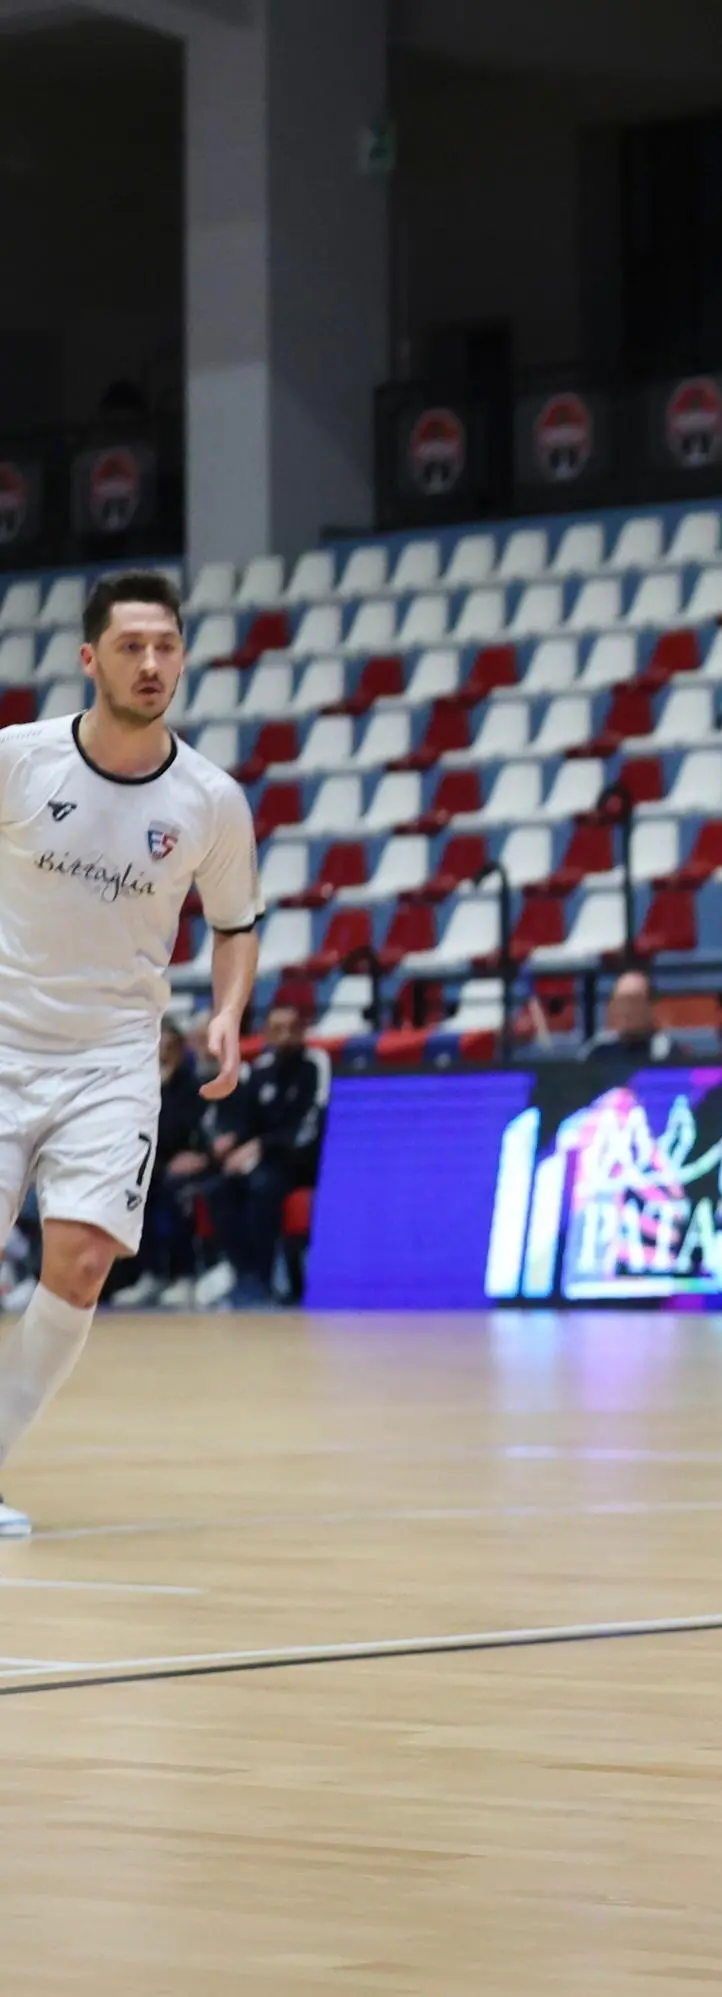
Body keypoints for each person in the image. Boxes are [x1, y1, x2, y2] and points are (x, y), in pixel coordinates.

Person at [0, 571, 263, 1535]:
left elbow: (237, 925)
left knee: (78, 1264)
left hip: (114, 1060)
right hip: (1, 1039)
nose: (151, 663)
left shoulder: (210, 799)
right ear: (89, 658)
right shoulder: (18, 762)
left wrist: (229, 1011)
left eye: (166, 647)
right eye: (131, 646)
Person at [198, 996, 330, 1307]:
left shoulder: (315, 1064)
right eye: (277, 1029)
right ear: (267, 1034)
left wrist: (260, 1146)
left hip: (298, 1160)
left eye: (291, 1028)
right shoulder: (260, 1071)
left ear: (303, 1030)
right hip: (261, 1159)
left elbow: (309, 1124)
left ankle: (264, 1275)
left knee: (262, 1186)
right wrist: (235, 1146)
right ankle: (244, 1273)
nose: (285, 1035)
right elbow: (247, 1120)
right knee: (218, 1187)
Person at [110, 1015, 215, 1307]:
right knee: (133, 1190)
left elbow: (188, 1129)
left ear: (181, 1048)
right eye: (158, 1046)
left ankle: (184, 1275)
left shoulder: (192, 1084)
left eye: (169, 1046)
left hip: (187, 1162)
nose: (163, 1053)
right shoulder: (140, 1084)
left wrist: (200, 1156)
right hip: (152, 1163)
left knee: (173, 1189)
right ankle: (150, 1273)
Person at [577, 967, 681, 1062]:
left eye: (633, 1001)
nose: (626, 1009)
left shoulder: (666, 1052)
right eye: (620, 1002)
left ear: (650, 1006)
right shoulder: (596, 1049)